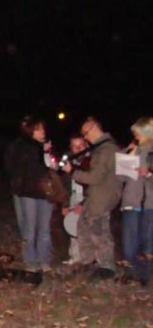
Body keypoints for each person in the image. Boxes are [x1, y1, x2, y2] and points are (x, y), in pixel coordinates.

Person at [62, 117, 122, 280]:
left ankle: (107, 267)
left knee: (100, 231)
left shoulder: (107, 149)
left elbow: (95, 177)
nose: (86, 138)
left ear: (95, 128)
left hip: (102, 196)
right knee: (83, 227)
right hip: (94, 196)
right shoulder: (102, 148)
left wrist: (72, 172)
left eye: (86, 134)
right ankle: (88, 263)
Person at [4, 116, 56, 272]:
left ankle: (44, 260)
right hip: (27, 192)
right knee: (29, 227)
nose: (42, 132)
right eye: (38, 129)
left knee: (44, 227)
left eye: (43, 129)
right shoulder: (21, 146)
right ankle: (30, 261)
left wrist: (48, 153)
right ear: (30, 130)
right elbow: (17, 167)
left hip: (45, 193)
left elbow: (51, 168)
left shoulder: (46, 146)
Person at [118, 117, 153, 285]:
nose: (135, 136)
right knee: (129, 241)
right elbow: (121, 176)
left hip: (149, 203)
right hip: (131, 200)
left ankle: (144, 275)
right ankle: (130, 272)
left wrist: (148, 173)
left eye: (138, 133)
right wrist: (126, 153)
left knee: (147, 241)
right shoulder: (133, 150)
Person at [60, 134, 89, 266]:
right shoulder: (67, 162)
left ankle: (88, 258)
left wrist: (83, 204)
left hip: (89, 199)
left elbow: (94, 184)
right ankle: (75, 256)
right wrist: (64, 204)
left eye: (81, 145)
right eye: (75, 147)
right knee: (72, 227)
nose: (79, 149)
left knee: (88, 229)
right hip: (73, 196)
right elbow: (63, 185)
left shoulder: (92, 160)